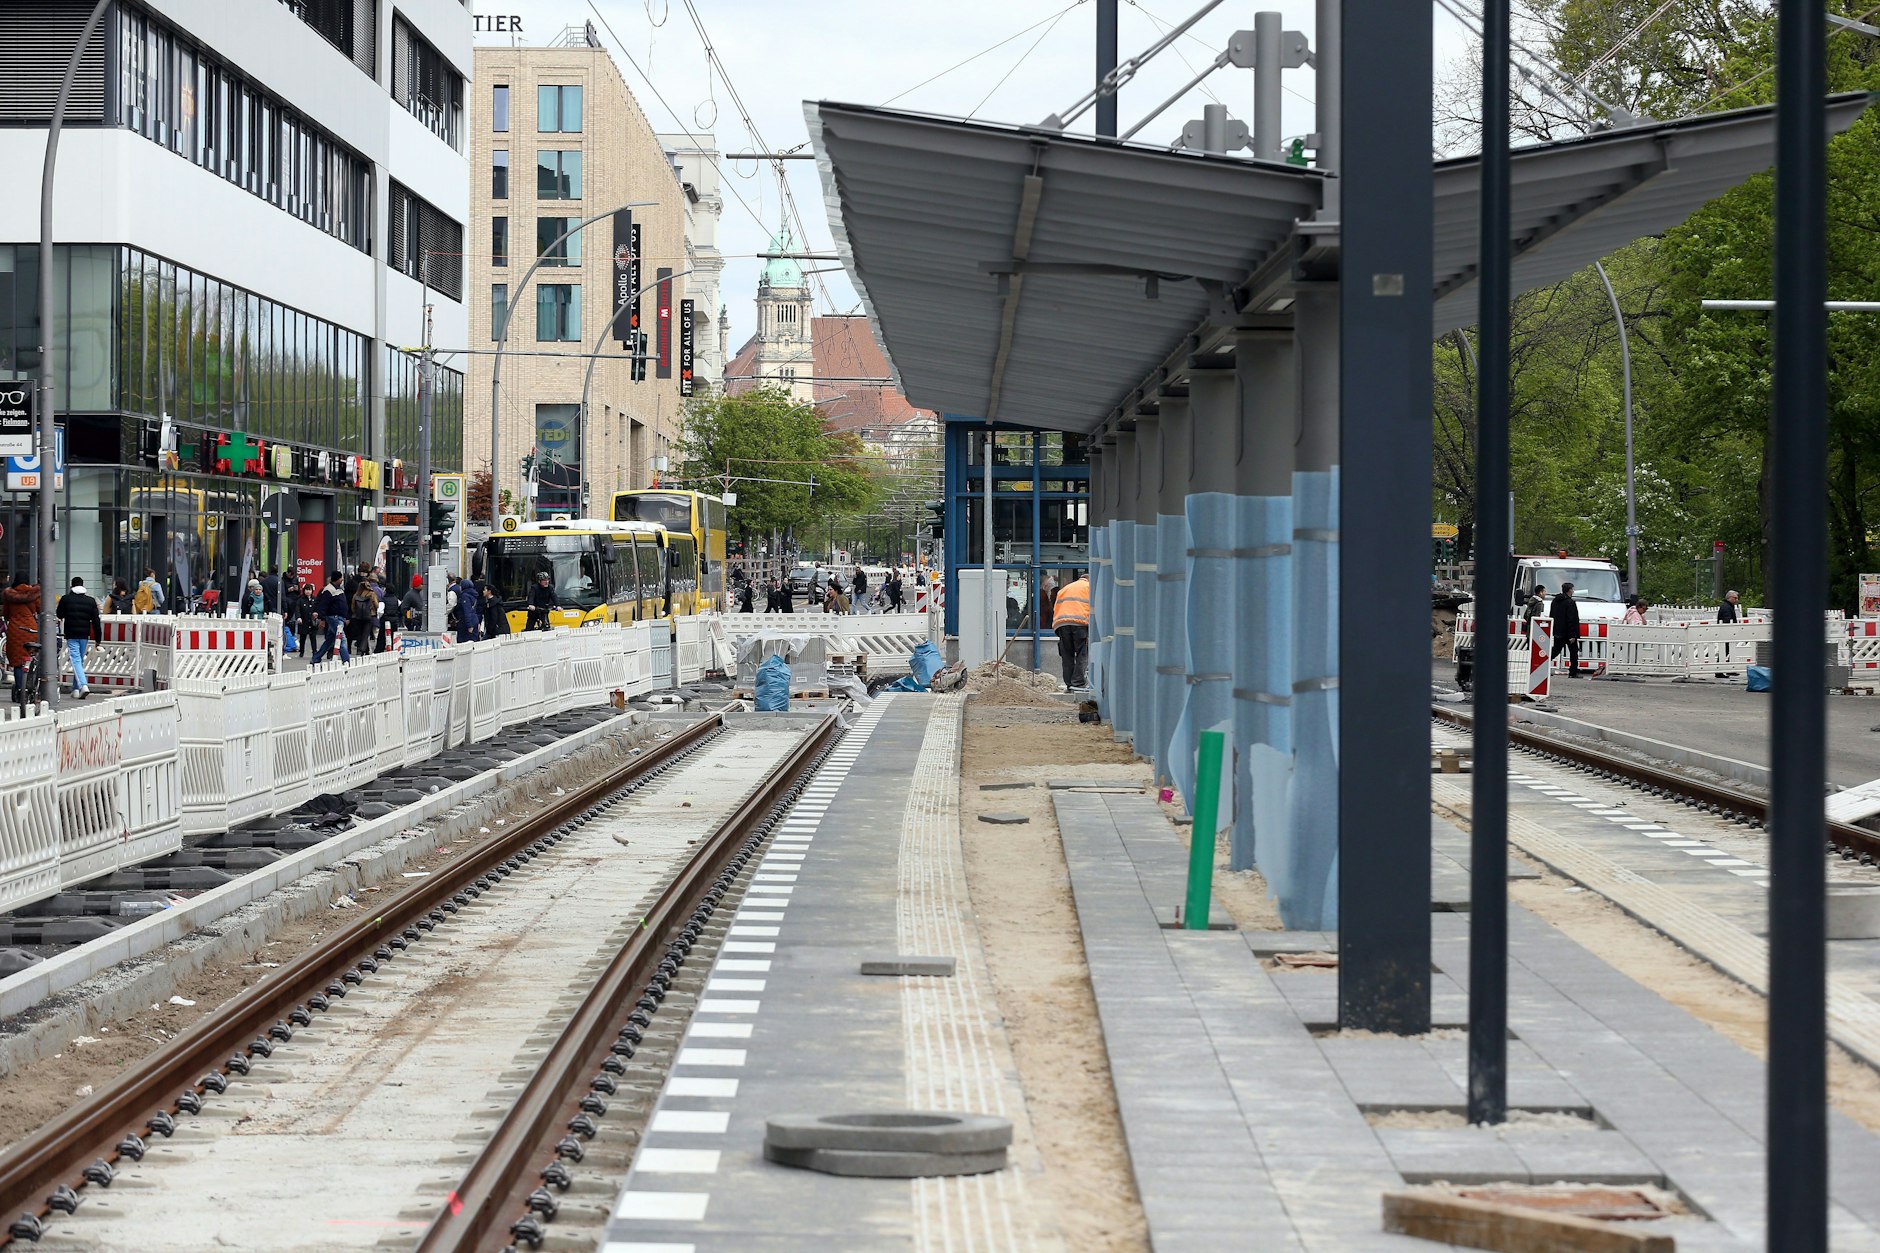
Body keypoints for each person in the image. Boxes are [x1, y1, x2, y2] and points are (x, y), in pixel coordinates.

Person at [55, 577, 103, 700]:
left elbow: (59, 614)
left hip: (71, 634)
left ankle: (83, 685)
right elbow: (96, 621)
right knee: (79, 661)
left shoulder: (66, 599)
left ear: (72, 586)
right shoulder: (90, 601)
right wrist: (98, 639)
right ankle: (75, 690)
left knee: (76, 661)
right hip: (84, 635)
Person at [1053, 570, 1091, 690]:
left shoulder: (1065, 588)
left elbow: (1056, 608)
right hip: (1080, 624)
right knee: (1082, 653)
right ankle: (1078, 683)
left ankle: (1069, 683)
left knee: (1067, 654)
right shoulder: (1090, 587)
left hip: (1062, 624)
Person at [3, 577, 39, 703]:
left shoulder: (10, 596)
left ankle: (20, 689)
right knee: (32, 656)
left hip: (15, 629)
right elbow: (40, 610)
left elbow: (6, 614)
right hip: (31, 629)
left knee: (18, 663)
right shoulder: (33, 594)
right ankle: (31, 685)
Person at [312, 573, 349, 663]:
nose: (342, 580)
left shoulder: (338, 589)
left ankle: (316, 658)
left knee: (329, 641)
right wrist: (322, 619)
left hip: (338, 617)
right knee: (341, 639)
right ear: (337, 579)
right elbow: (323, 605)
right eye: (341, 578)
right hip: (334, 618)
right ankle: (346, 660)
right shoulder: (328, 590)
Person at [1549, 581, 1582, 676]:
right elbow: (1572, 619)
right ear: (1569, 590)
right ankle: (1573, 671)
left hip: (1558, 631)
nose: (1573, 591)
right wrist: (1573, 634)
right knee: (1573, 652)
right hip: (1568, 632)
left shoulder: (1555, 601)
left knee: (1555, 650)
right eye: (1572, 589)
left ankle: (1542, 664)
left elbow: (1553, 615)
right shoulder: (1570, 602)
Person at [345, 577, 379, 658]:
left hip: (358, 616)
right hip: (369, 616)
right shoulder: (372, 594)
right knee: (366, 634)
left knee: (360, 633)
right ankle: (361, 650)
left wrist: (355, 612)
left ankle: (363, 649)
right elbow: (377, 605)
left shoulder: (356, 594)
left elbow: (353, 606)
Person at [456, 574, 485, 642]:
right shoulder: (473, 595)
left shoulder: (465, 596)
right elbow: (474, 610)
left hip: (466, 624)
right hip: (474, 621)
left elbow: (467, 611)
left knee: (464, 643)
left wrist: (469, 625)